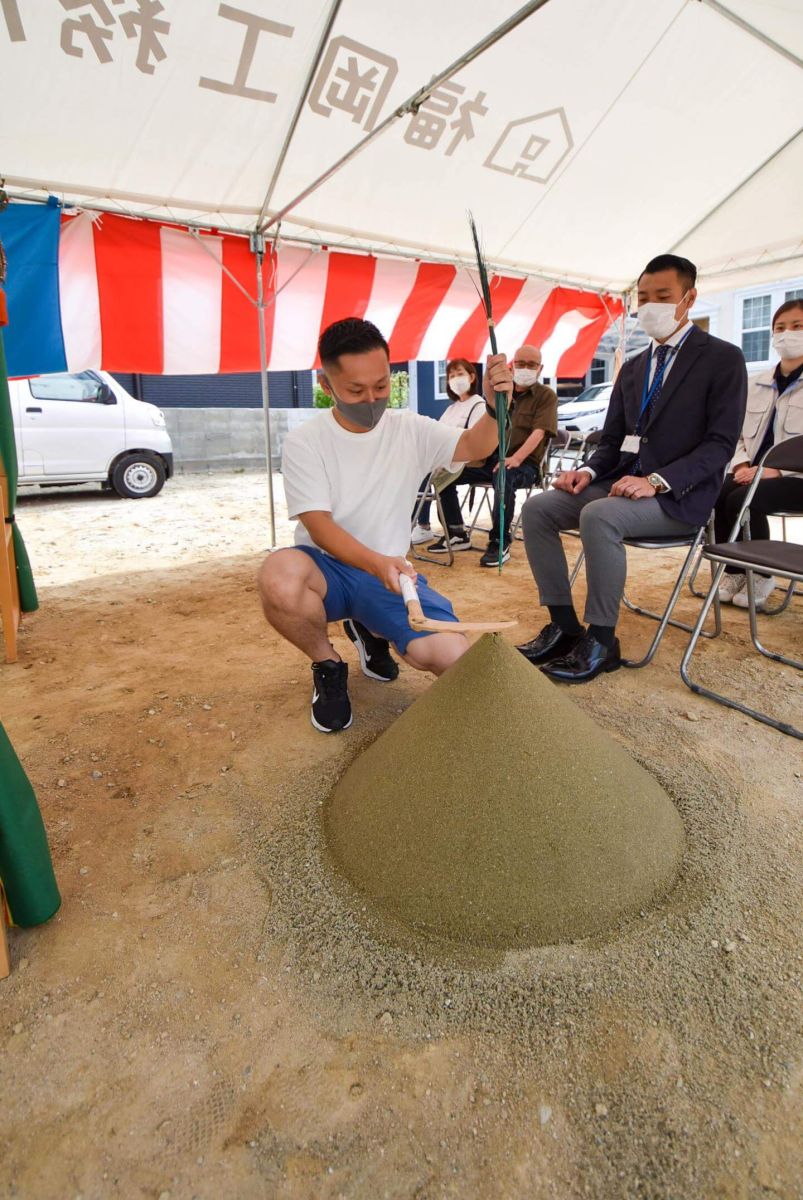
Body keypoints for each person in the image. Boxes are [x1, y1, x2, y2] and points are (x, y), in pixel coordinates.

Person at [257, 318, 512, 732]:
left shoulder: (408, 427)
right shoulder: (306, 441)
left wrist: (496, 404)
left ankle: (369, 627)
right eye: (356, 390)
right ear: (327, 385)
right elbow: (319, 526)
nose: (372, 399)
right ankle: (328, 663)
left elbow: (475, 445)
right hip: (326, 568)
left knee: (452, 657)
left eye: (380, 385)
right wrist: (376, 564)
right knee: (278, 576)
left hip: (390, 572)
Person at [517, 253, 747, 683]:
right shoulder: (636, 367)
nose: (651, 306)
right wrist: (586, 471)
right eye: (644, 297)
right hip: (620, 483)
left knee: (599, 514)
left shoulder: (722, 358)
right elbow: (611, 441)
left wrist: (657, 481)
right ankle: (565, 628)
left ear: (689, 298)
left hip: (679, 495)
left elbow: (720, 445)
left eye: (664, 296)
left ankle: (602, 640)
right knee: (538, 508)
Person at [428, 344, 558, 566]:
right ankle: (456, 531)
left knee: (504, 475)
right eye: (520, 363)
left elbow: (539, 433)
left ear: (540, 368)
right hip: (494, 459)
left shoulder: (546, 396)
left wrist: (515, 459)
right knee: (444, 475)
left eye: (531, 364)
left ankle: (499, 542)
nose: (525, 368)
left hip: (525, 464)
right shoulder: (500, 394)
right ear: (512, 365)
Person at [715, 298, 803, 610]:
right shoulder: (757, 383)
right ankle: (735, 570)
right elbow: (735, 431)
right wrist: (740, 462)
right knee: (717, 492)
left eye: (797, 326)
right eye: (780, 327)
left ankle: (763, 573)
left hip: (794, 479)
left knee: (742, 500)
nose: (787, 334)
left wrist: (776, 472)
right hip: (751, 471)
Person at [411, 358, 485, 544]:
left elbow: (473, 438)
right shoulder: (452, 408)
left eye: (460, 374)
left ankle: (429, 527)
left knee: (428, 473)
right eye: (451, 375)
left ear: (472, 376)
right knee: (415, 469)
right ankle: (418, 525)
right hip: (446, 457)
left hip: (469, 460)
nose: (455, 379)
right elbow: (437, 432)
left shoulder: (479, 405)